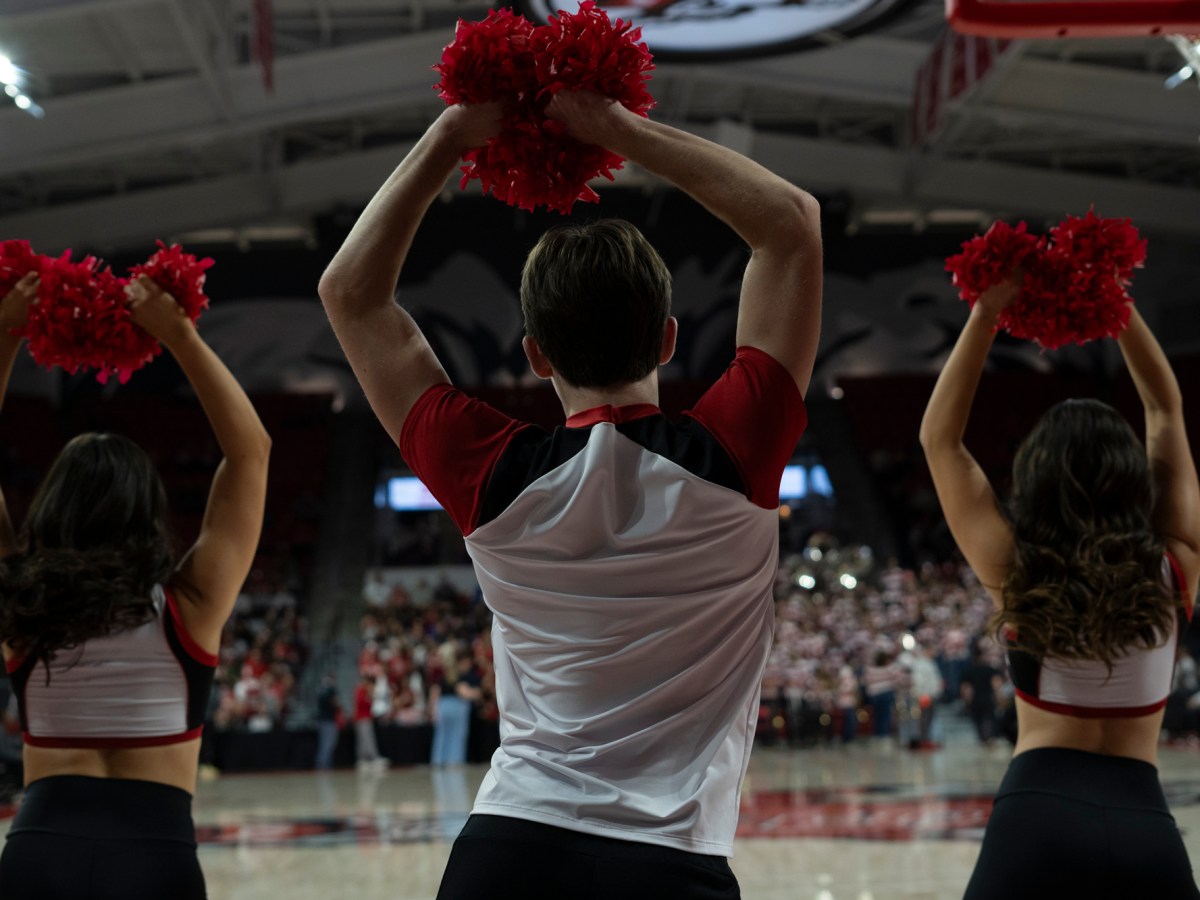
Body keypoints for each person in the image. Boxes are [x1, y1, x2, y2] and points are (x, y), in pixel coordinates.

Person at [319, 87, 821, 899]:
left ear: (536, 356)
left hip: (507, 852)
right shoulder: (735, 453)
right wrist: (620, 131)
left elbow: (350, 295)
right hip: (672, 861)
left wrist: (452, 135)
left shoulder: (489, 473)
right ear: (667, 337)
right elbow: (791, 225)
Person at [920, 273, 1200, 899]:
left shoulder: (1018, 572)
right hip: (1143, 821)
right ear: (1133, 479)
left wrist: (986, 313)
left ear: (1035, 479)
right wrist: (1114, 300)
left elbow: (939, 441)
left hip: (1036, 819)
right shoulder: (1176, 567)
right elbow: (1164, 408)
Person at [0, 272, 270, 900]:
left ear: (51, 508)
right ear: (145, 511)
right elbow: (251, 452)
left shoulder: (19, 604)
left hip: (40, 850)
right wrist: (179, 335)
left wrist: (9, 332)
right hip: (156, 854)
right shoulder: (189, 606)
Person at [314, 672, 342, 770]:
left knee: (323, 742)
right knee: (329, 743)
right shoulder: (331, 690)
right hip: (329, 720)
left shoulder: (321, 690)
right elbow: (335, 703)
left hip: (323, 720)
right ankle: (324, 763)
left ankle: (323, 762)